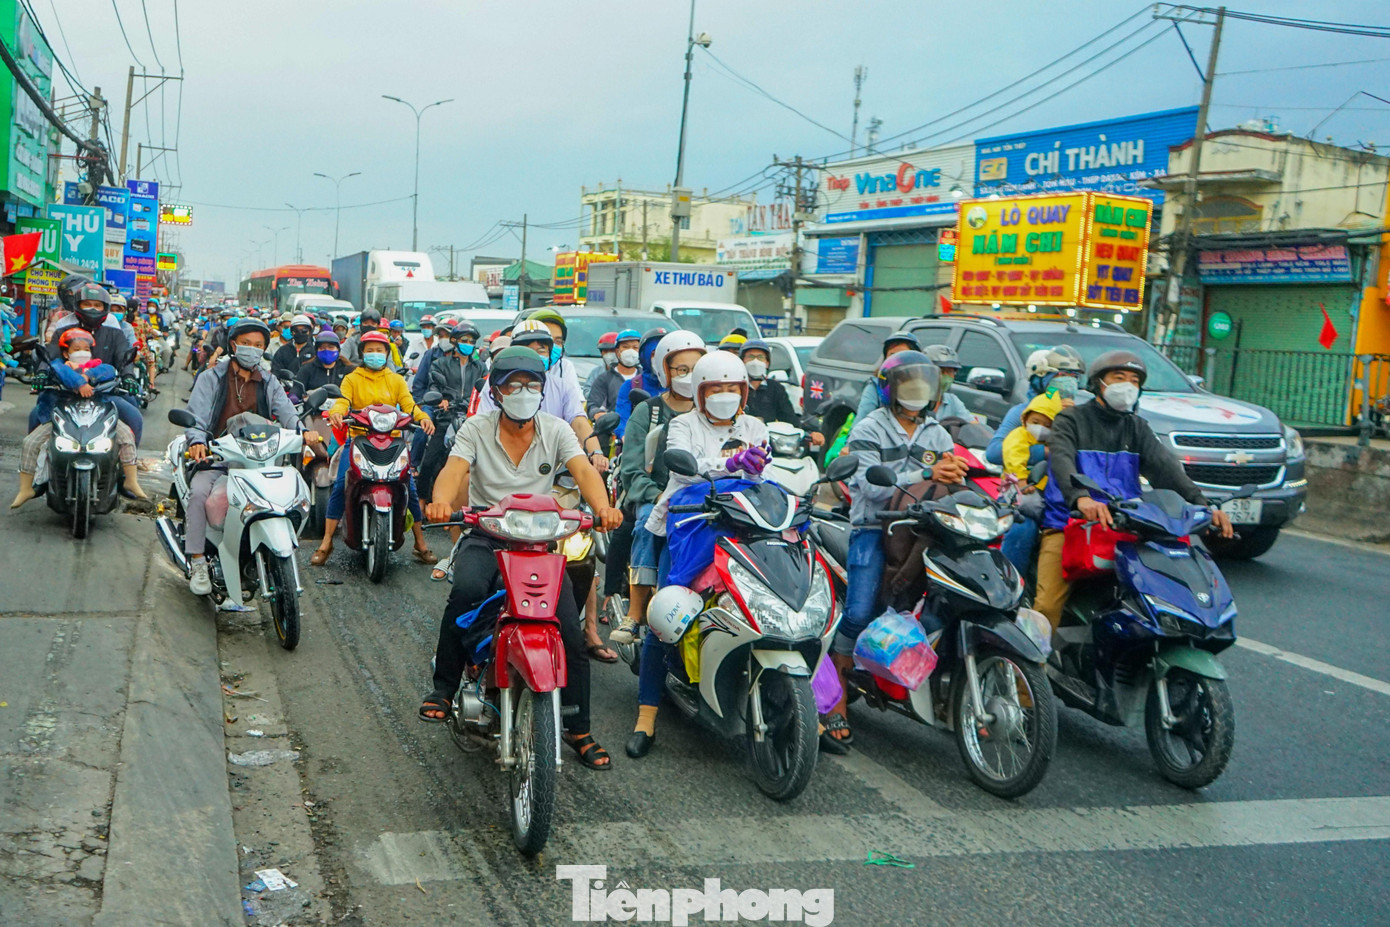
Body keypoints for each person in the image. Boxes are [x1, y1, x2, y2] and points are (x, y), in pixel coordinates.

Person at [420, 346, 622, 770]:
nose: (524, 393)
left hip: (539, 545)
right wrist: (441, 502)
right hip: (487, 535)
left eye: (532, 385)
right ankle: (444, 686)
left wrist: (602, 507)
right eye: (514, 385)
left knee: (568, 628)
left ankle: (578, 727)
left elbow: (584, 471)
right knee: (467, 592)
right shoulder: (476, 428)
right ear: (496, 391)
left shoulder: (557, 429)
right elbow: (455, 471)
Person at [626, 350, 770, 758]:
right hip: (689, 527)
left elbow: (763, 475)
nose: (725, 395)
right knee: (667, 614)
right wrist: (733, 462)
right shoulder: (682, 425)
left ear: (743, 392)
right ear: (700, 392)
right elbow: (684, 471)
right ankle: (646, 716)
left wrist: (761, 464)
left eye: (732, 388)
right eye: (716, 388)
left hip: (744, 526)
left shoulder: (755, 425)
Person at [824, 351, 966, 749]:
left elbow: (947, 476)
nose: (918, 392)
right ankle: (835, 704)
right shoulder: (869, 427)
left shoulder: (936, 432)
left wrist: (954, 472)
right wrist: (926, 472)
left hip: (924, 530)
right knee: (858, 612)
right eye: (909, 384)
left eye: (925, 384)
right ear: (890, 389)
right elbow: (871, 488)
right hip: (873, 527)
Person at [1034, 350, 1233, 629]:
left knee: (1161, 599)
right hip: (1071, 525)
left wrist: (1203, 505)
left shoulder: (1137, 428)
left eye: (1134, 381)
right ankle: (1027, 671)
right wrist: (1080, 498)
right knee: (1046, 608)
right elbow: (1062, 461)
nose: (1127, 386)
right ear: (1098, 383)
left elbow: (1167, 470)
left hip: (1128, 526)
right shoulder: (1071, 420)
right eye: (1119, 377)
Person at [180, 319, 314, 594]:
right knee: (199, 494)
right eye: (246, 344)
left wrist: (303, 432)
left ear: (264, 349)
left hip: (259, 459)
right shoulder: (211, 378)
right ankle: (197, 561)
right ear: (233, 344)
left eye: (258, 346)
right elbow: (196, 417)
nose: (251, 350)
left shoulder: (269, 381)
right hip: (218, 455)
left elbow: (287, 412)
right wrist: (197, 441)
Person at [609, 330, 706, 645]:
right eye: (681, 369)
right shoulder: (647, 411)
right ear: (665, 372)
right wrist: (661, 496)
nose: (689, 376)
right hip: (658, 497)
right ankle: (635, 614)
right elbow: (633, 471)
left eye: (697, 368)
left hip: (706, 500)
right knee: (649, 521)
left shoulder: (714, 414)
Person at [310, 331, 437, 566]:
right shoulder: (352, 378)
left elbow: (409, 404)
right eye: (370, 350)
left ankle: (420, 543)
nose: (375, 354)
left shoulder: (396, 380)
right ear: (362, 353)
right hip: (359, 439)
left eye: (379, 350)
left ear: (387, 353)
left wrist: (422, 417)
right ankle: (326, 542)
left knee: (408, 486)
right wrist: (338, 412)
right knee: (340, 485)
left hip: (393, 442)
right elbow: (344, 400)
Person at [10, 329, 144, 509]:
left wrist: (87, 376)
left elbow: (109, 370)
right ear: (66, 352)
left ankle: (130, 481)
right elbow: (60, 371)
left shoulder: (97, 366)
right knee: (30, 442)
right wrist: (79, 383)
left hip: (98, 415)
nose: (82, 352)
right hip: (61, 415)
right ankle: (26, 488)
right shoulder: (58, 365)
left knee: (126, 436)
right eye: (77, 348)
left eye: (86, 348)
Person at [473, 321, 610, 473]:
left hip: (554, 471)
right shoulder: (497, 384)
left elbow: (578, 421)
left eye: (541, 350)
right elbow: (483, 425)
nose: (534, 355)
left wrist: (596, 452)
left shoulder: (563, 387)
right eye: (528, 350)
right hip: (504, 467)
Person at [42, 280, 143, 444]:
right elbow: (50, 356)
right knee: (34, 420)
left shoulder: (115, 334)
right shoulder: (63, 331)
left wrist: (129, 377)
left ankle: (128, 466)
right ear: (77, 305)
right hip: (64, 394)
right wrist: (41, 373)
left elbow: (124, 359)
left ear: (105, 308)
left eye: (97, 305)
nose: (92, 308)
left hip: (106, 394)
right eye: (87, 304)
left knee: (135, 418)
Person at [985, 345, 1085, 466]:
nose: (1070, 382)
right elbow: (994, 453)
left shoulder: (1078, 413)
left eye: (1074, 376)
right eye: (1062, 375)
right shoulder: (1023, 412)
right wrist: (1044, 452)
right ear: (1039, 378)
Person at [998, 391, 1063, 571]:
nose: (1040, 427)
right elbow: (1014, 456)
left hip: (1047, 499)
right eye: (1035, 422)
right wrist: (1020, 479)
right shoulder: (1019, 435)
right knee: (1023, 529)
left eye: (1047, 424)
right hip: (1017, 494)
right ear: (1025, 419)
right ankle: (1010, 575)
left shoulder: (1056, 443)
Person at [613, 327, 670, 439]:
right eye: (654, 354)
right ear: (645, 356)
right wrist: (626, 438)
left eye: (663, 355)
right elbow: (621, 419)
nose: (659, 359)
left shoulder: (681, 387)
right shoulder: (631, 386)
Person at [852, 331, 922, 422]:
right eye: (892, 356)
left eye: (903, 356)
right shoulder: (876, 386)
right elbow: (861, 421)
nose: (897, 361)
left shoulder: (922, 386)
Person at [587, 328, 640, 416]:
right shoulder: (604, 379)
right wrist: (599, 416)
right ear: (617, 351)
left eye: (635, 347)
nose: (631, 351)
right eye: (625, 347)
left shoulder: (646, 377)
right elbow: (592, 405)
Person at [410, 318, 454, 402]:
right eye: (441, 336)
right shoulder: (430, 354)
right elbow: (419, 382)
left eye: (447, 335)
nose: (444, 339)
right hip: (432, 401)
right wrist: (420, 402)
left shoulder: (464, 357)